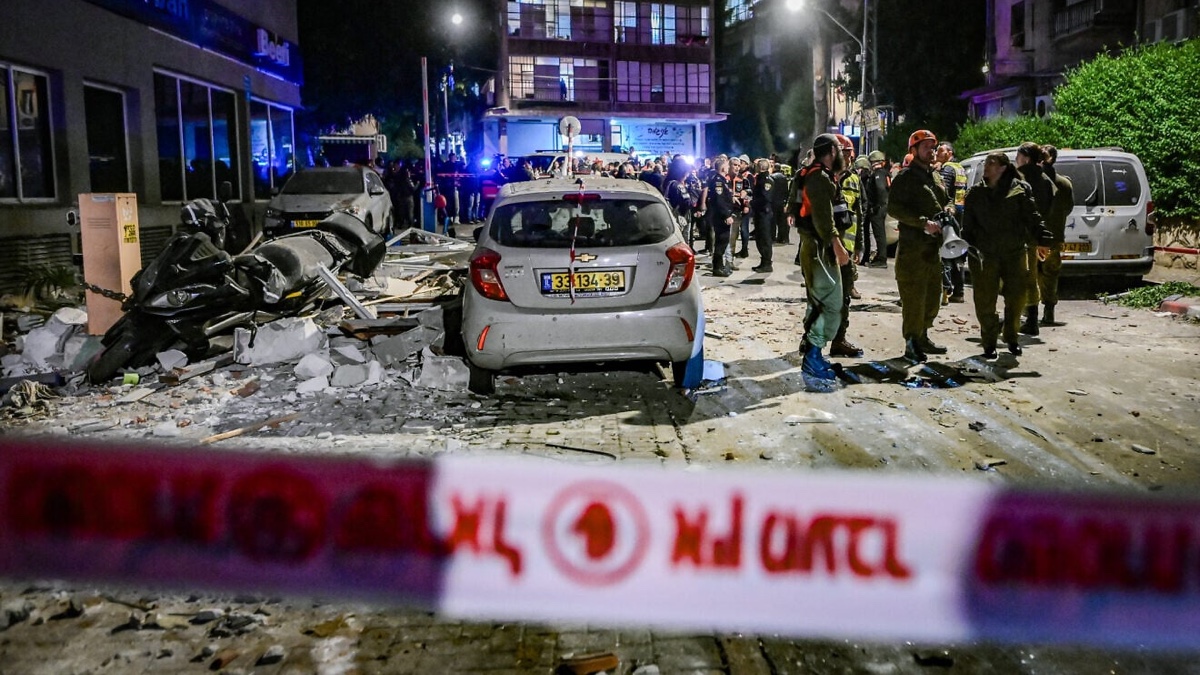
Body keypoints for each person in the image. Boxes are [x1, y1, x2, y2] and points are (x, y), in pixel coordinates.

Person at [960, 152, 1050, 358]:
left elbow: (1032, 217)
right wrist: (967, 249)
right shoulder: (975, 193)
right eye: (986, 163)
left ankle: (1011, 336)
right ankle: (989, 343)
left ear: (1002, 167)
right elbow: (968, 227)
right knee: (985, 301)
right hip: (985, 255)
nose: (986, 167)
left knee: (1017, 298)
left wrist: (1043, 239)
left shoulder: (1020, 189)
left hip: (1014, 252)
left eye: (991, 163)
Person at [887, 129, 950, 363]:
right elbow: (894, 209)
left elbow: (945, 200)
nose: (931, 151)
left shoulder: (934, 176)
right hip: (913, 250)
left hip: (933, 250)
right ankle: (911, 342)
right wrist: (923, 223)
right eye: (926, 147)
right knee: (914, 299)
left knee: (933, 297)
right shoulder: (905, 178)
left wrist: (949, 209)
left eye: (933, 147)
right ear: (913, 151)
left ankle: (923, 335)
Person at [795, 134, 851, 391]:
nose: (842, 153)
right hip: (819, 248)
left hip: (817, 247)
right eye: (839, 149)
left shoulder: (813, 174)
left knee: (820, 302)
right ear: (830, 150)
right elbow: (822, 217)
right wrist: (836, 244)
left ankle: (814, 352)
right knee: (830, 303)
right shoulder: (818, 177)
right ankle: (813, 357)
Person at [1015, 142, 1057, 336]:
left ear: (1026, 158)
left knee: (1017, 278)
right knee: (1030, 278)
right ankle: (1030, 319)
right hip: (1035, 236)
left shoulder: (1019, 178)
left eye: (1018, 156)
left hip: (1019, 237)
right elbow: (1049, 210)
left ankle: (1026, 320)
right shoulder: (1046, 180)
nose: (1016, 160)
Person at [830, 134, 864, 357]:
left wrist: (859, 245)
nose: (848, 158)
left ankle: (839, 339)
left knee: (844, 298)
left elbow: (859, 213)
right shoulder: (824, 178)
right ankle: (811, 340)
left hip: (847, 249)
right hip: (827, 249)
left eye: (850, 154)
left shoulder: (854, 179)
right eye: (844, 153)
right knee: (821, 297)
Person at [1038, 144, 1073, 327]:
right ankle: (1049, 310)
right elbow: (1068, 208)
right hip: (1054, 236)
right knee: (1050, 274)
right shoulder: (1064, 183)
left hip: (1035, 237)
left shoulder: (1033, 181)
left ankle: (1031, 311)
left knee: (1031, 273)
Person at [936, 143, 968, 303]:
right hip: (960, 212)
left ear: (949, 152)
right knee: (958, 254)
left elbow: (943, 192)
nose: (937, 153)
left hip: (949, 214)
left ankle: (946, 290)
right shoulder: (960, 168)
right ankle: (959, 291)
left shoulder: (947, 169)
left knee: (947, 253)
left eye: (941, 150)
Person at [706, 157, 736, 277]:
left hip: (722, 215)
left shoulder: (722, 180)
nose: (729, 168)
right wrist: (726, 215)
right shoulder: (718, 181)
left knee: (722, 241)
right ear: (723, 168)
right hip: (720, 217)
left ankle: (720, 266)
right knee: (721, 241)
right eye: (728, 166)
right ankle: (717, 268)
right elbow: (719, 201)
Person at [861, 150, 890, 268]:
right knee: (880, 233)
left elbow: (880, 189)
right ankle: (879, 257)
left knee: (879, 234)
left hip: (878, 208)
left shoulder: (878, 174)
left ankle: (882, 259)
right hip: (882, 206)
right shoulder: (886, 173)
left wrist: (877, 206)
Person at [750, 158, 774, 273]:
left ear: (760, 167)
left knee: (764, 238)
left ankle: (767, 263)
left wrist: (752, 202)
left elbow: (765, 197)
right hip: (760, 213)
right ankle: (763, 262)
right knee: (760, 238)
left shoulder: (766, 180)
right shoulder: (760, 179)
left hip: (764, 213)